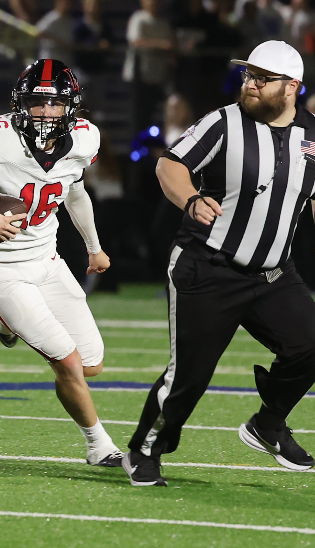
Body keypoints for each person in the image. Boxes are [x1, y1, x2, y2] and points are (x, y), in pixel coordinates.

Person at [123, 41, 315, 486]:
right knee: (189, 376)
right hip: (208, 267)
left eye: (261, 79)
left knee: (310, 344)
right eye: (248, 75)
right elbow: (170, 166)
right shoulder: (224, 122)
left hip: (274, 275)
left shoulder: (313, 137)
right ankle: (144, 450)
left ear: (292, 87)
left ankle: (268, 424)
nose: (250, 84)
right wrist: (190, 198)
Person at [0, 59, 123, 468]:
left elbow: (74, 193)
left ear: (72, 107)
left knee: (92, 364)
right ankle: (99, 446)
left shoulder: (87, 139)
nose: (46, 112)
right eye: (38, 102)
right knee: (67, 362)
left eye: (55, 104)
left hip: (48, 260)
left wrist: (93, 247)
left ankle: (7, 322)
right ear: (21, 104)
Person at [123, 0, 175, 131]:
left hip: (158, 78)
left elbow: (171, 46)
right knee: (139, 119)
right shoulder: (138, 18)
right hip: (139, 78)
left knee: (157, 119)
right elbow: (136, 41)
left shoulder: (164, 23)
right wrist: (160, 46)